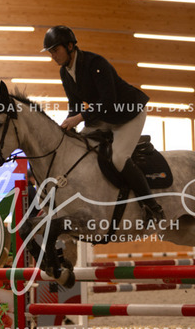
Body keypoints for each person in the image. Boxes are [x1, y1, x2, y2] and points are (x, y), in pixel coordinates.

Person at [42, 25, 164, 222]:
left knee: (119, 158)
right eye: (50, 52)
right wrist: (67, 126)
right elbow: (75, 105)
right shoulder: (65, 72)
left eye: (56, 50)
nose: (53, 56)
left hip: (128, 113)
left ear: (70, 46)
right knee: (77, 150)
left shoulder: (95, 63)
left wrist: (78, 118)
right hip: (104, 116)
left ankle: (152, 206)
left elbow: (108, 101)